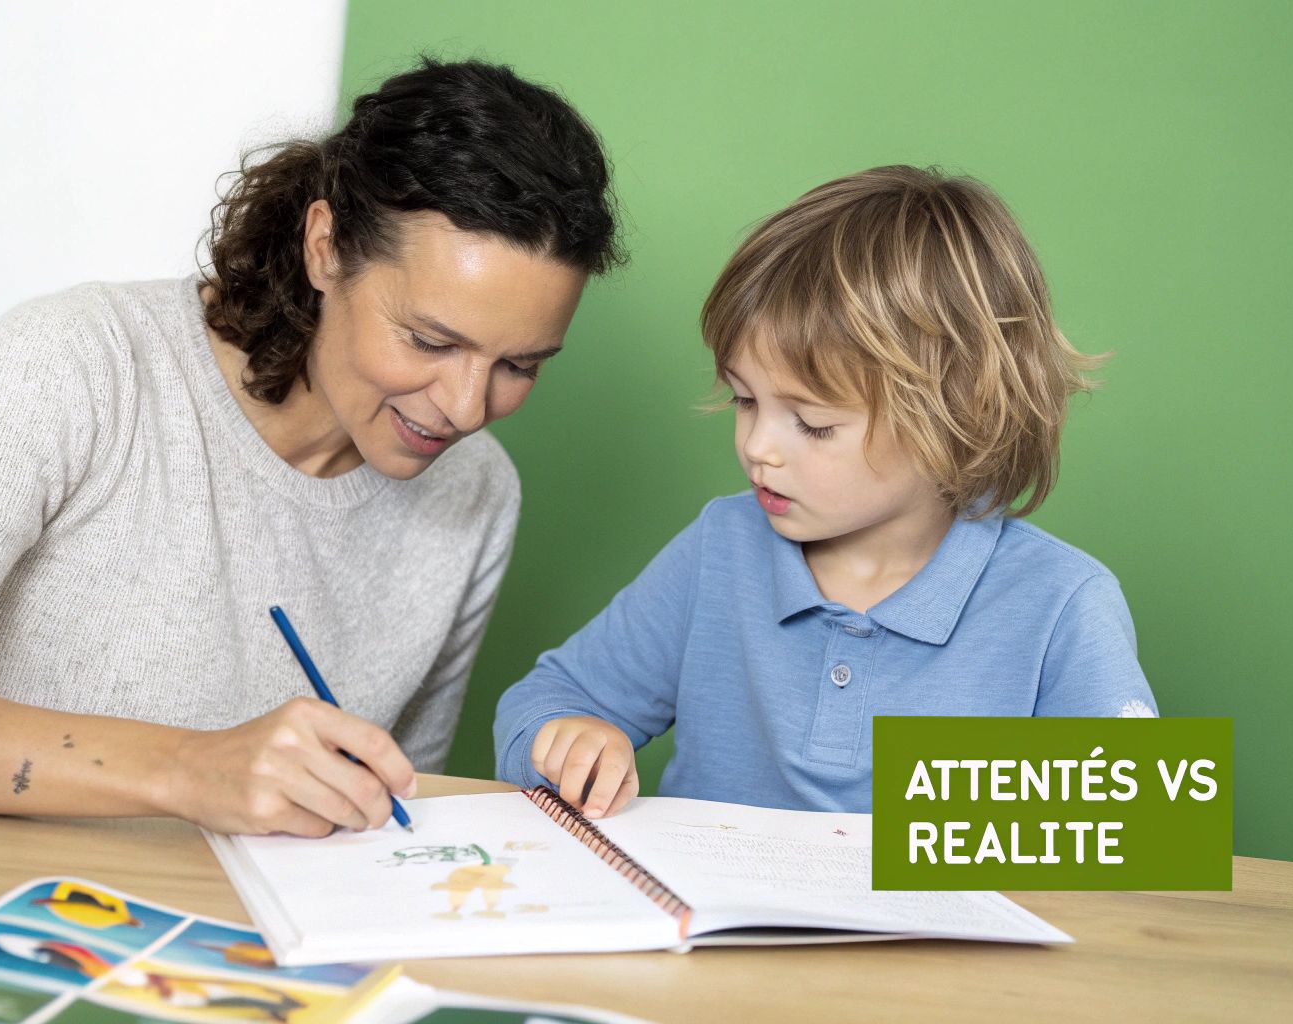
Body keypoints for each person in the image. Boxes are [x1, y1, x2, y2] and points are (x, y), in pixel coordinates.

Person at [0, 58, 622, 836]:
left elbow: (387, 818)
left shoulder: (477, 492)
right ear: (326, 247)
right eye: (429, 341)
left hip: (242, 936)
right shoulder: (83, 362)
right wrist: (186, 769)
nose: (467, 409)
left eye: (520, 366)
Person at [493, 165, 1156, 818]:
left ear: (957, 419)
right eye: (745, 400)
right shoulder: (721, 547)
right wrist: (570, 740)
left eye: (813, 424)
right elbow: (543, 701)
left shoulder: (1062, 603)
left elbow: (1137, 832)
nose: (758, 447)